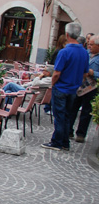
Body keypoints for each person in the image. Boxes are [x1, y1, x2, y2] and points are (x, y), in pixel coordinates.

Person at [42, 22, 89, 151]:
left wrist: (53, 83)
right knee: (67, 115)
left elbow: (57, 73)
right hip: (73, 88)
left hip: (61, 87)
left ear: (67, 34)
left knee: (60, 116)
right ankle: (64, 142)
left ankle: (57, 141)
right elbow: (85, 73)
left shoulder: (64, 52)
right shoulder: (84, 52)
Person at [68, 35, 99, 143]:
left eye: (91, 44)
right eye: (88, 44)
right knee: (72, 108)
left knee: (86, 112)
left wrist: (93, 73)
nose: (89, 46)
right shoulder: (85, 53)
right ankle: (68, 130)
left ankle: (81, 134)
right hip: (79, 85)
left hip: (92, 88)